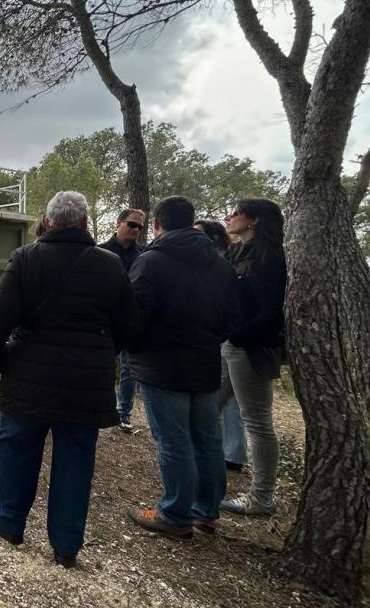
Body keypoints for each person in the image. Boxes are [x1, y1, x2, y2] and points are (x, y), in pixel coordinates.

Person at [0, 191, 139, 568]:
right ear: (85, 223)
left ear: (48, 222)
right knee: (76, 459)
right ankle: (66, 546)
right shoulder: (110, 264)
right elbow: (129, 326)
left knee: (17, 447)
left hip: (28, 374)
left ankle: (9, 521)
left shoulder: (26, 258)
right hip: (86, 385)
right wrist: (98, 356)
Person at [125, 196, 240, 538]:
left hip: (162, 366)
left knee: (174, 441)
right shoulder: (221, 266)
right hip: (205, 363)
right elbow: (232, 318)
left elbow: (135, 317)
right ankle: (206, 510)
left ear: (157, 225)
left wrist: (134, 347)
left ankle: (174, 515)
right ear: (191, 223)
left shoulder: (151, 262)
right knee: (207, 438)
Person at [217, 198, 287, 516]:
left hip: (252, 349)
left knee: (257, 422)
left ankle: (262, 499)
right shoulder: (236, 252)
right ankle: (204, 474)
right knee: (209, 407)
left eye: (235, 214)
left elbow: (272, 312)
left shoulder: (271, 258)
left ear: (253, 220)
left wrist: (237, 336)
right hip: (230, 344)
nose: (229, 218)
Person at [196, 219, 248, 472]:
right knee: (226, 397)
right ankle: (231, 452)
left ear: (213, 238)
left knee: (222, 397)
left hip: (226, 338)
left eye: (198, 233)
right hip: (222, 337)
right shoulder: (223, 261)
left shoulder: (222, 264)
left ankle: (228, 452)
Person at [100, 208, 145, 433]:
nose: (136, 230)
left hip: (131, 319)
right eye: (132, 224)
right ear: (118, 223)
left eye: (140, 227)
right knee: (101, 363)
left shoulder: (145, 255)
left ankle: (123, 411)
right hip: (104, 317)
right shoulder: (99, 251)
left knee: (129, 367)